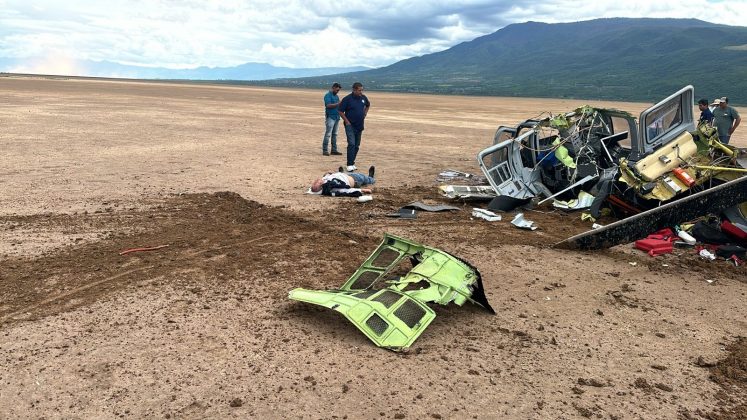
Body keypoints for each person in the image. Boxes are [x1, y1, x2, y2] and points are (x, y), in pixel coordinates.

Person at [338, 82, 371, 172]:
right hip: (350, 125)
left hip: (359, 125)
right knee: (351, 144)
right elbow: (340, 111)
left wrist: (365, 113)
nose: (361, 92)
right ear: (354, 90)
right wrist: (347, 122)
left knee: (356, 145)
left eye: (362, 90)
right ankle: (349, 164)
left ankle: (352, 163)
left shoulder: (363, 98)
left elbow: (368, 105)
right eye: (359, 90)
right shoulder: (347, 99)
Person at [310, 166, 375, 197]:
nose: (317, 180)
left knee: (339, 175)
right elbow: (346, 190)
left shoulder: (324, 180)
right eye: (317, 182)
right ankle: (371, 178)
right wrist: (362, 190)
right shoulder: (331, 188)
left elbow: (326, 177)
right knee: (365, 178)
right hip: (355, 180)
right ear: (321, 186)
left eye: (315, 182)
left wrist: (328, 174)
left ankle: (341, 172)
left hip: (345, 175)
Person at [322, 82, 343, 156]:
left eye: (338, 90)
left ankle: (334, 150)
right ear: (333, 88)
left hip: (337, 117)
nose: (337, 91)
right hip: (330, 117)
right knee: (328, 134)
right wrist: (338, 103)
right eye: (337, 90)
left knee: (335, 134)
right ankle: (325, 150)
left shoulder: (336, 96)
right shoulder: (327, 95)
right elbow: (328, 105)